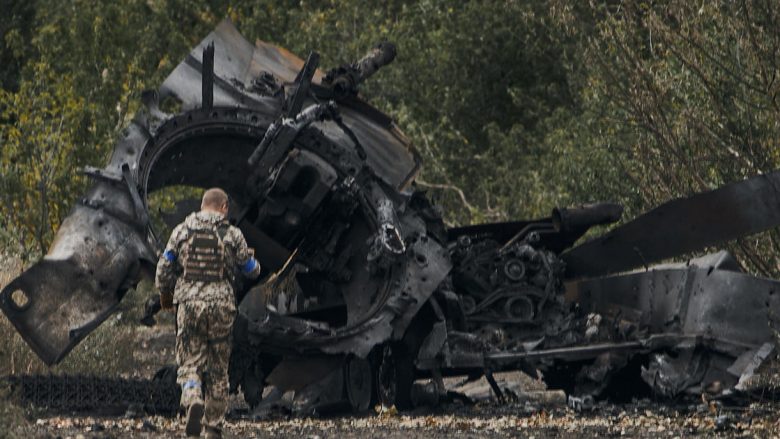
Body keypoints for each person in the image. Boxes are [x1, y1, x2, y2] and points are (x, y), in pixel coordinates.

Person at [155, 188, 261, 438]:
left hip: (189, 304)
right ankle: (213, 427)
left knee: (190, 361)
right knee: (218, 368)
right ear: (224, 207)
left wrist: (167, 296)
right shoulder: (233, 234)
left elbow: (164, 268)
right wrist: (254, 263)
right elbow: (250, 269)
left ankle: (192, 398)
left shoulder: (181, 231)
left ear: (203, 206)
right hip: (221, 307)